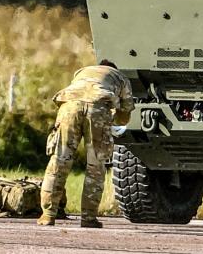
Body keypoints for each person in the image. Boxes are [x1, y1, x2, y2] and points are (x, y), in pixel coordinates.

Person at [38, 60, 134, 228]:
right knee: (95, 166)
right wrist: (114, 121)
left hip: (69, 107)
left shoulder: (82, 71)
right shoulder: (120, 77)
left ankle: (47, 215)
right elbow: (125, 113)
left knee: (59, 161)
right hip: (98, 109)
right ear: (113, 68)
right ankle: (88, 218)